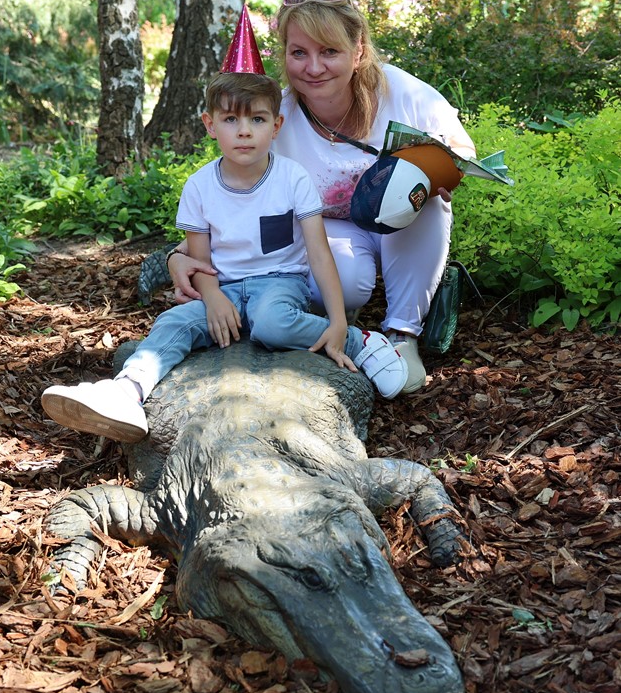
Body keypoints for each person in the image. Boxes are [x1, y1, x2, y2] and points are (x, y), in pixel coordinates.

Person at [41, 69, 409, 443]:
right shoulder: (199, 187)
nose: (244, 131)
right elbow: (200, 261)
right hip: (225, 288)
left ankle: (361, 343)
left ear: (276, 126)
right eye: (231, 119)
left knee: (272, 323)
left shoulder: (292, 178)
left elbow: (319, 254)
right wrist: (213, 297)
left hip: (279, 283)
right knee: (175, 322)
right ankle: (126, 392)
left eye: (257, 119)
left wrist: (338, 321)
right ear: (210, 124)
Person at [168, 0, 477, 394]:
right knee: (343, 279)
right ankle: (334, 322)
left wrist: (437, 172)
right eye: (299, 53)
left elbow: (462, 150)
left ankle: (403, 332)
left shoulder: (399, 91)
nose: (313, 68)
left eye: (329, 51)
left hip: (400, 220)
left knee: (428, 202)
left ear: (358, 51)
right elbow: (234, 198)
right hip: (330, 230)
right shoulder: (275, 117)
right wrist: (178, 255)